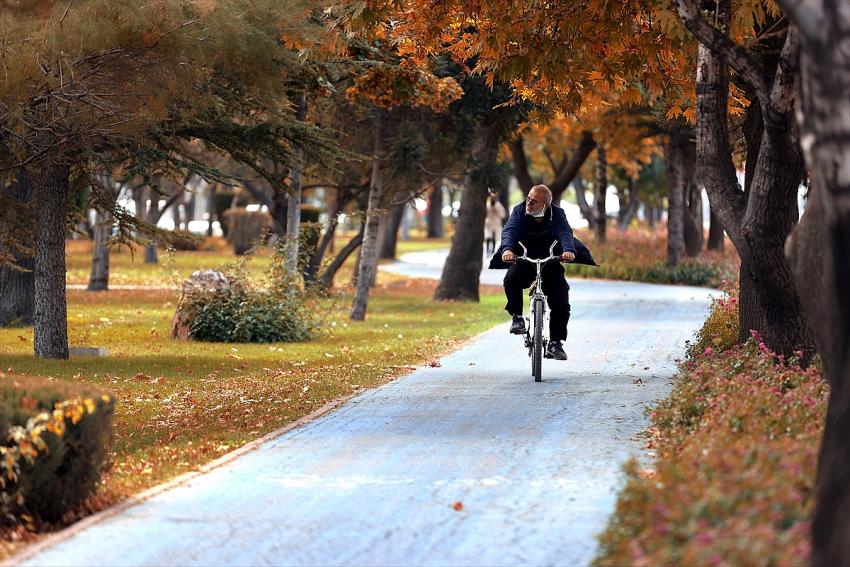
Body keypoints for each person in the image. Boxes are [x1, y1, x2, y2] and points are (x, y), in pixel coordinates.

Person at [488, 184, 596, 361]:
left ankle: (555, 343)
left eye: (534, 201)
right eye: (528, 198)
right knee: (511, 280)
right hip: (524, 260)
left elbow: (565, 233)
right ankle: (517, 317)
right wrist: (507, 250)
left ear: (545, 205)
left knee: (561, 297)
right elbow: (510, 231)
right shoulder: (519, 210)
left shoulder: (557, 214)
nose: (529, 203)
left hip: (550, 262)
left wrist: (569, 250)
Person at [483, 190, 507, 255]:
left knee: (494, 237)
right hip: (488, 223)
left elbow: (503, 215)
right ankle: (487, 250)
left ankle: (493, 250)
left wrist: (496, 210)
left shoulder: (498, 205)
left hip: (496, 224)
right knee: (488, 237)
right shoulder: (487, 205)